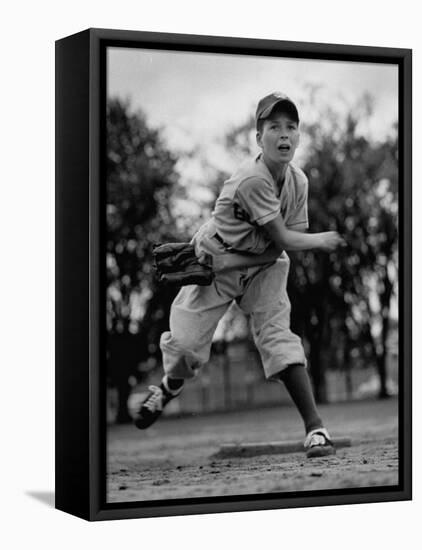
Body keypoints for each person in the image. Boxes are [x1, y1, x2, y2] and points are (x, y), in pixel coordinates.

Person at [134, 92, 344, 458]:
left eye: (291, 127)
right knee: (184, 348)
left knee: (279, 337)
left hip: (260, 265)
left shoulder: (298, 183)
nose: (284, 134)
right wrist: (320, 240)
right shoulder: (251, 179)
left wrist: (242, 262)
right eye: (274, 126)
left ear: (298, 136)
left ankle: (315, 428)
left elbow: (280, 247)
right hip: (214, 259)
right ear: (258, 137)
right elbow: (283, 237)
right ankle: (169, 386)